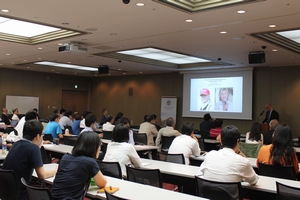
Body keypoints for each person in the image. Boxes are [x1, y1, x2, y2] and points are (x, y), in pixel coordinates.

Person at [2, 120, 57, 200]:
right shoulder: (33, 148)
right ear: (38, 136)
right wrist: (57, 169)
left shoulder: (16, 144)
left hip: (5, 191)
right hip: (20, 194)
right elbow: (42, 175)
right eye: (42, 134)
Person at [52, 131, 107, 199]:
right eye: (99, 145)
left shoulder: (65, 157)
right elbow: (102, 183)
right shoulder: (90, 162)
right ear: (94, 147)